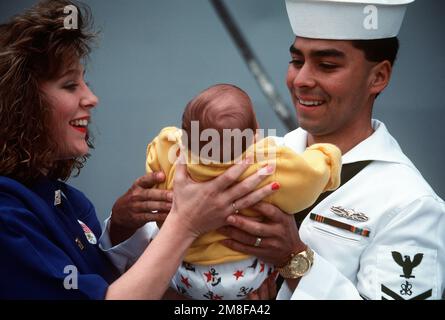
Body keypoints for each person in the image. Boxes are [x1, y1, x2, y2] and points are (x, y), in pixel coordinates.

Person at [0, 0, 279, 299]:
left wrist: (120, 227)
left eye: (86, 83)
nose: (91, 98)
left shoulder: (67, 202)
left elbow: (122, 285)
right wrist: (186, 223)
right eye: (70, 85)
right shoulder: (8, 216)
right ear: (23, 102)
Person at [216, 0, 445, 300]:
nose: (301, 80)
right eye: (297, 61)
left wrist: (294, 260)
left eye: (327, 66)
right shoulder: (258, 156)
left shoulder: (410, 204)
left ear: (378, 77)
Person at [141, 83, 341, 299]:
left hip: (182, 273)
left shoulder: (173, 153)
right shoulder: (266, 164)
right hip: (243, 279)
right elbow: (309, 178)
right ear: (255, 132)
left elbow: (156, 155)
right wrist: (326, 155)